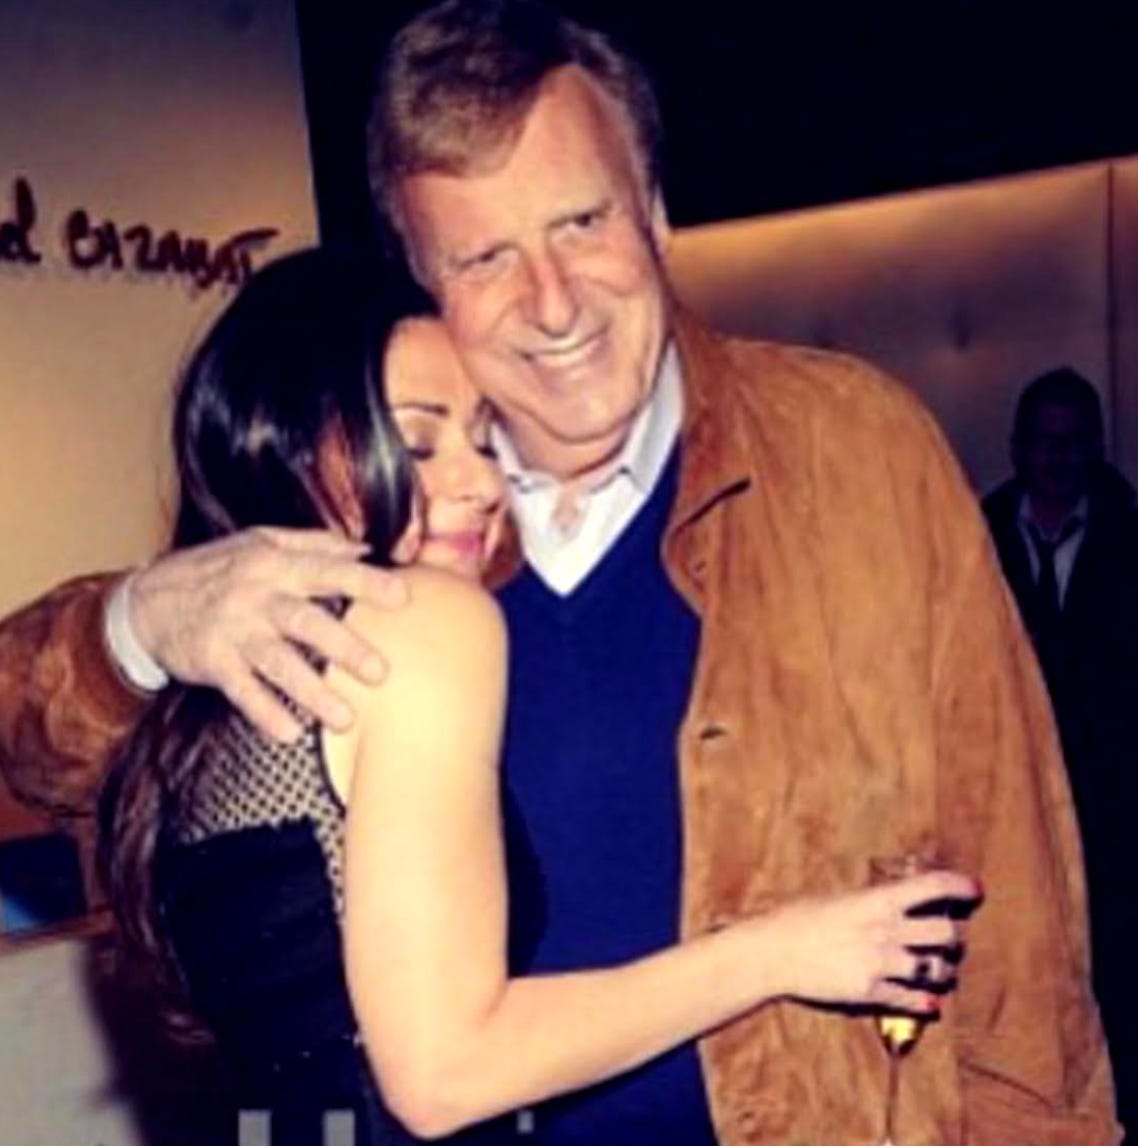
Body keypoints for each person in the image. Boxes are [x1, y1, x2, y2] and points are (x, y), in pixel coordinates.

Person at [0, 1, 1119, 1142]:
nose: (551, 299)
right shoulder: (365, 542)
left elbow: (1013, 899)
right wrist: (133, 626)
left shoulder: (854, 450)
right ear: (422, 282)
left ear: (656, 212)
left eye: (582, 221)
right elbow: (40, 749)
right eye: (484, 256)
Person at [98, 244, 973, 1146]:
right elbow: (445, 1075)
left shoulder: (200, 702)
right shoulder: (427, 621)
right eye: (419, 442)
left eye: (484, 440)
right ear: (282, 444)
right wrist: (782, 951)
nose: (481, 484)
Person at [983, 366, 1138, 1144]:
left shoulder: (1130, 539)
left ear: (1095, 449)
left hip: (1116, 807)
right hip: (1008, 802)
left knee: (1118, 982)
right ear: (1017, 447)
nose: (1057, 457)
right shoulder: (974, 540)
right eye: (1044, 441)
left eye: (1073, 442)